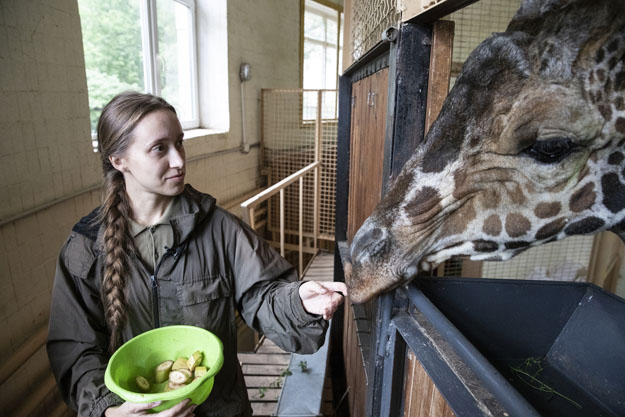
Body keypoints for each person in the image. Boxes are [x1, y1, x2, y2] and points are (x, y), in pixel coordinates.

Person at [47, 91, 347, 417]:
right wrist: (109, 411)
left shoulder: (219, 228)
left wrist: (299, 301)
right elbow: (76, 349)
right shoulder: (85, 248)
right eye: (159, 148)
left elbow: (263, 293)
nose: (179, 160)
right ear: (119, 161)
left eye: (180, 142)